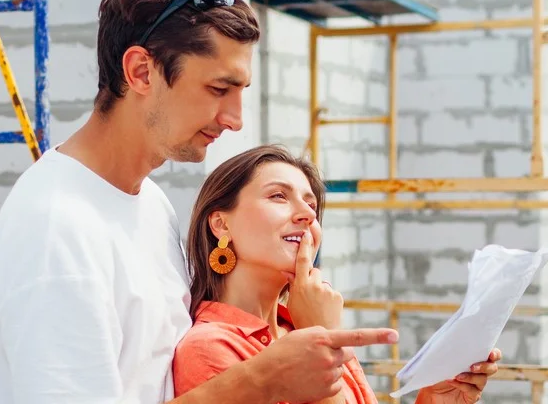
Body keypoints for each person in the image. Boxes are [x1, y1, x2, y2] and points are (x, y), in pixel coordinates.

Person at [0, 0, 399, 404]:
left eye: (240, 92)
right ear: (141, 72)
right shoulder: (54, 228)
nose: (235, 119)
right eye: (218, 89)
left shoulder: (152, 205)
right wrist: (260, 380)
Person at [171, 144, 503, 403]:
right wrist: (322, 333)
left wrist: (434, 400)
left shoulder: (300, 324)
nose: (305, 215)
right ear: (221, 223)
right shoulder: (208, 349)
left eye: (311, 206)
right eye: (278, 196)